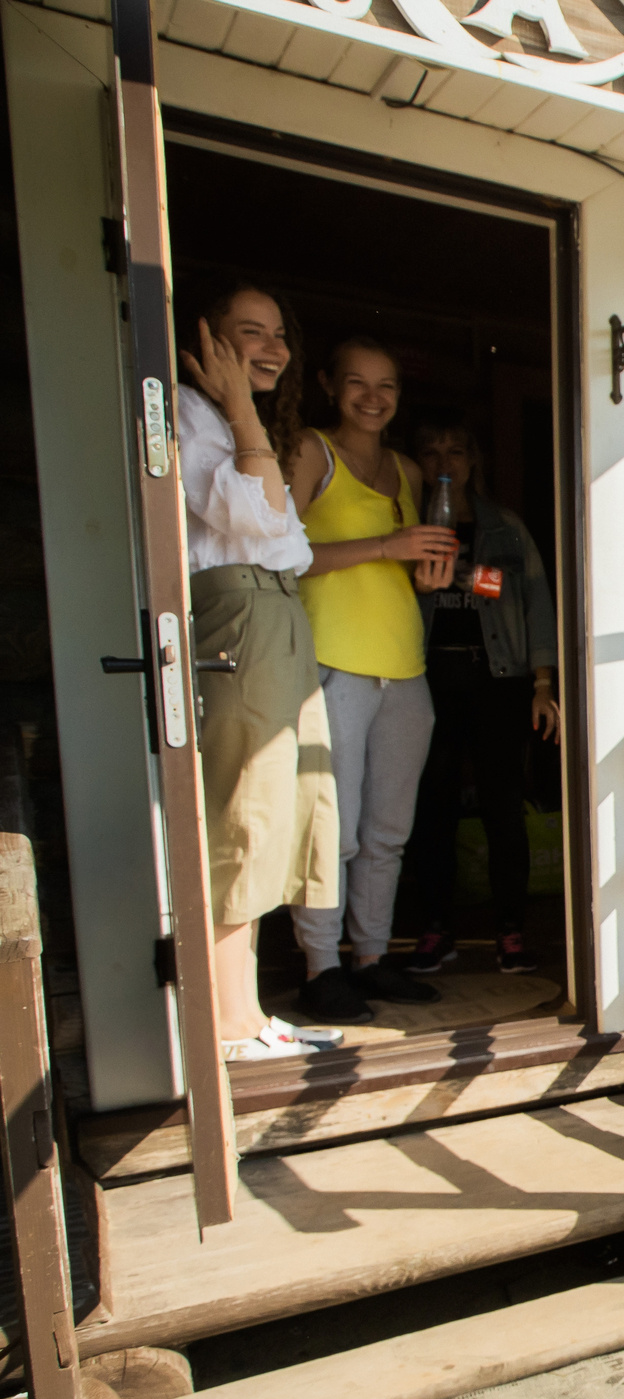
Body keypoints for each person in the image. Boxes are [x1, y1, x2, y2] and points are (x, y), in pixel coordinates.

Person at [175, 282, 343, 1061]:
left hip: (273, 612)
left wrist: (246, 416)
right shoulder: (186, 412)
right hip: (239, 615)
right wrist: (242, 411)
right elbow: (258, 519)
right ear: (208, 341)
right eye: (250, 333)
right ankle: (223, 1022)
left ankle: (242, 1010)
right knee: (242, 811)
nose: (271, 347)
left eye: (279, 333)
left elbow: (290, 546)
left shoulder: (228, 423)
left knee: (273, 809)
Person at [284, 337, 457, 1024]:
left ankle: (372, 958)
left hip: (403, 667)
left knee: (388, 829)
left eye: (386, 385)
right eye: (357, 383)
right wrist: (388, 546)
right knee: (333, 827)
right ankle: (320, 966)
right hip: (332, 661)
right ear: (330, 384)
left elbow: (411, 565)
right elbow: (278, 556)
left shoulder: (410, 470)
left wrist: (427, 571)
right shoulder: (308, 451)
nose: (373, 397)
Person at [399, 411, 560, 977]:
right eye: (432, 453)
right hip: (426, 679)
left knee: (502, 808)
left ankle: (510, 931)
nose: (445, 465)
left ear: (473, 462)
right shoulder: (403, 524)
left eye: (456, 453)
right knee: (432, 807)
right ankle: (436, 929)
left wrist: (543, 687)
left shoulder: (505, 528)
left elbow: (535, 604)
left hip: (499, 681)